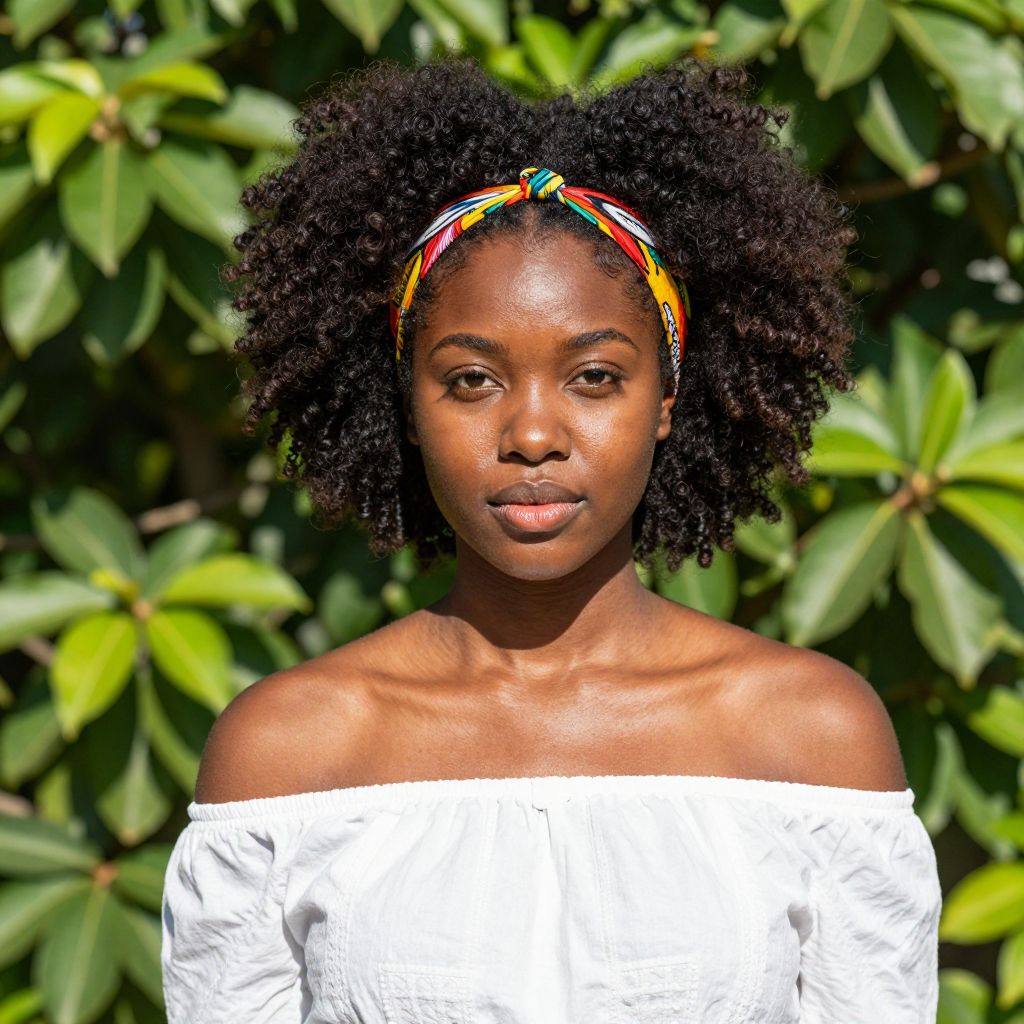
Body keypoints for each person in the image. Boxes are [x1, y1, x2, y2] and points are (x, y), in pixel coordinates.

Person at [160, 54, 941, 1023]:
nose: (532, 434)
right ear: (406, 405)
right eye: (472, 380)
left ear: (666, 397)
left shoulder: (810, 740)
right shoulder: (290, 754)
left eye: (595, 377)